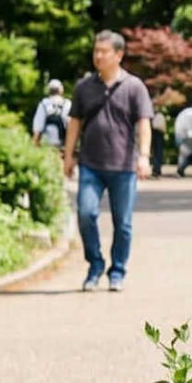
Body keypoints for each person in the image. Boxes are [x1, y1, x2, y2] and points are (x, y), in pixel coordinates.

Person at [60, 31, 154, 293]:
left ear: (119, 55)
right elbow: (75, 123)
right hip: (90, 164)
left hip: (123, 167)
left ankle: (118, 271)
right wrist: (68, 157)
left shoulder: (134, 87)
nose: (98, 56)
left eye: (104, 51)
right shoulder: (84, 87)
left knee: (122, 223)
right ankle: (95, 265)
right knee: (86, 214)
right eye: (96, 51)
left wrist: (144, 156)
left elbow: (144, 122)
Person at [28, 80, 70, 150]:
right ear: (61, 90)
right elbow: (70, 125)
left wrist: (33, 147)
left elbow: (37, 128)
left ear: (49, 91)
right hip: (63, 146)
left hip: (46, 146)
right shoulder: (67, 104)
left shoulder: (43, 104)